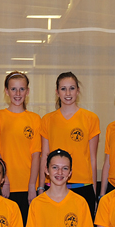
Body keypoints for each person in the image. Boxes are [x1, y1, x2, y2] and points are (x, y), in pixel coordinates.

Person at [39, 72, 101, 213]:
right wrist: (41, 187)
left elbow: (92, 158)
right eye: (63, 89)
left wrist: (94, 192)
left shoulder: (90, 118)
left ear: (78, 91)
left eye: (72, 88)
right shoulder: (47, 120)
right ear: (57, 92)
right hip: (53, 185)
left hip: (83, 186)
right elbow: (44, 156)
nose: (68, 93)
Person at [0, 71, 42, 221]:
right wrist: (5, 180)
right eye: (13, 89)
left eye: (22, 89)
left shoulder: (34, 119)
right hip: (5, 186)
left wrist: (32, 186)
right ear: (6, 91)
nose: (18, 93)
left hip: (28, 187)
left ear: (27, 91)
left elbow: (36, 155)